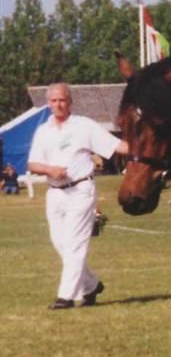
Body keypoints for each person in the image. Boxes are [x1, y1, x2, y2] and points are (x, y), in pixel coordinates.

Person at [27, 83, 129, 309]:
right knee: (60, 243)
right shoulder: (44, 130)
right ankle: (91, 285)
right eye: (53, 101)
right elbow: (33, 163)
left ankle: (66, 297)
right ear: (49, 103)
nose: (58, 105)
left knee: (75, 244)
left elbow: (116, 146)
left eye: (62, 100)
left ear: (70, 101)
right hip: (55, 193)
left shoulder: (85, 126)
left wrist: (147, 147)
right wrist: (50, 170)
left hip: (80, 190)